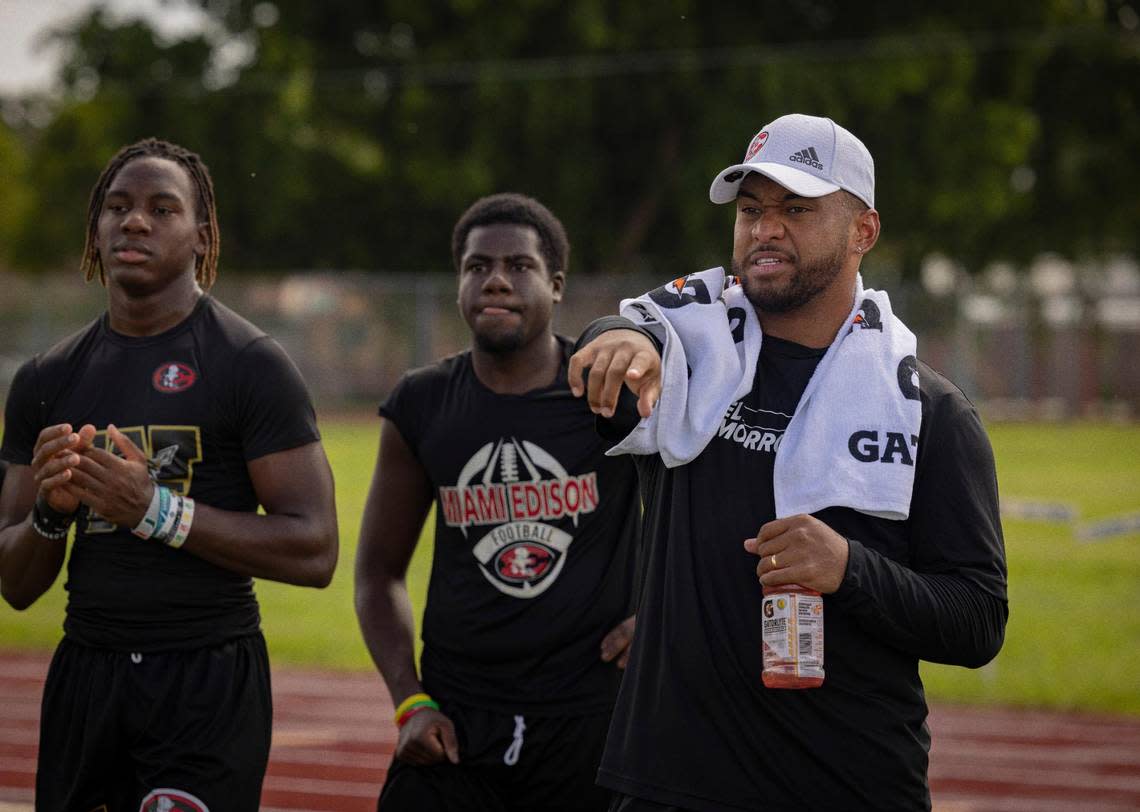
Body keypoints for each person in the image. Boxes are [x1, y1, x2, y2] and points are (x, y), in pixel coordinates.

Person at [570, 114, 1008, 810]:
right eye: (751, 210)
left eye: (796, 209)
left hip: (846, 786)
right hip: (670, 785)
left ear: (863, 231)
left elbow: (979, 619)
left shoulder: (929, 410)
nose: (764, 228)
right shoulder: (681, 361)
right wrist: (618, 333)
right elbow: (606, 352)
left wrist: (851, 570)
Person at [0, 138, 339, 811]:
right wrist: (51, 513)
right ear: (94, 231)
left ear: (200, 236)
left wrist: (157, 511)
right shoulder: (45, 380)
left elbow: (315, 547)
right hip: (86, 676)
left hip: (206, 678)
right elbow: (14, 584)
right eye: (117, 207)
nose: (134, 222)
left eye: (162, 209)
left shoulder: (250, 364)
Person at [355, 193, 642, 812]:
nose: (496, 282)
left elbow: (703, 515)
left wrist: (663, 612)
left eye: (519, 266)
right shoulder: (422, 403)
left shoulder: (606, 393)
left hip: (589, 719)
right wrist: (409, 699)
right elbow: (378, 574)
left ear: (557, 284)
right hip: (457, 723)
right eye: (477, 267)